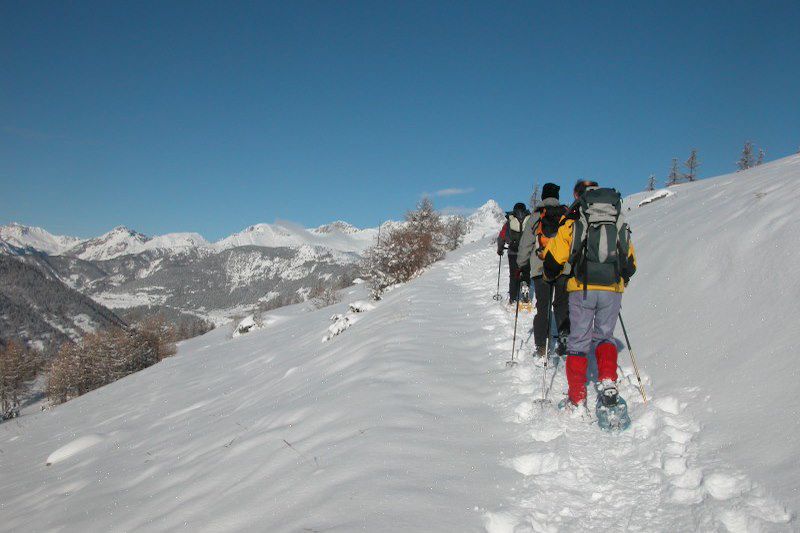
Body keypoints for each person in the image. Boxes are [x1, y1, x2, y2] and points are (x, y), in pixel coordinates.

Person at [541, 180, 637, 413]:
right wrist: (619, 279)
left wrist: (549, 275)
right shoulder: (617, 219)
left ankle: (576, 396)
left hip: (581, 288)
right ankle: (607, 382)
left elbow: (555, 257)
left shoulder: (575, 219)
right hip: (612, 289)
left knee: (579, 341)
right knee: (605, 336)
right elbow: (630, 262)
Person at [517, 183, 569, 358]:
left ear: (543, 196)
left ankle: (541, 346)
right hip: (562, 268)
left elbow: (526, 243)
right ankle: (564, 340)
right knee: (562, 306)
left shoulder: (536, 217)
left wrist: (521, 263)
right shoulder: (566, 215)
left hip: (540, 268)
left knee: (543, 307)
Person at [496, 202, 531, 304]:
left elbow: (502, 236)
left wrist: (500, 249)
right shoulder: (529, 221)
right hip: (526, 252)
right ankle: (525, 287)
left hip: (513, 252)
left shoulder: (509, 222)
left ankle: (513, 297)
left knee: (513, 275)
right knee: (526, 273)